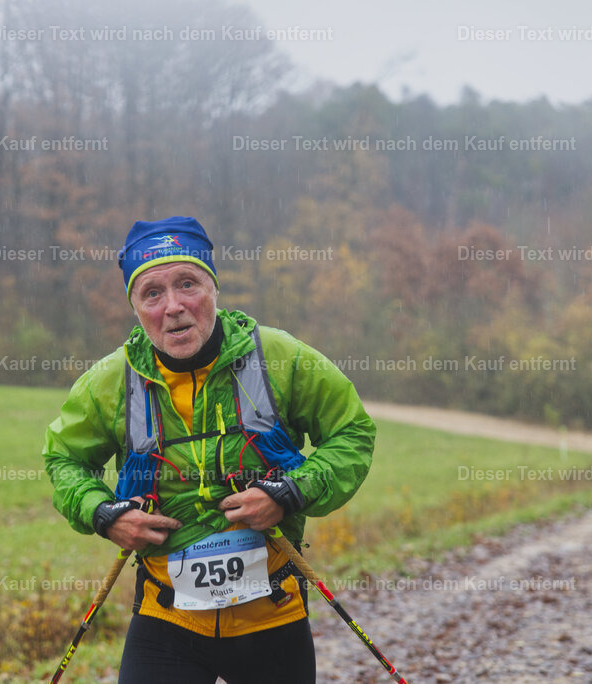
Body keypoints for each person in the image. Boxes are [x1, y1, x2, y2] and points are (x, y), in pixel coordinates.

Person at [43, 216, 376, 683]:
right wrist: (105, 514)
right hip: (168, 620)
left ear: (214, 289)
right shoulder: (109, 382)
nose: (174, 306)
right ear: (136, 307)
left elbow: (352, 433)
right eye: (152, 293)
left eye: (188, 284)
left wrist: (290, 491)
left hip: (273, 617)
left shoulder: (280, 358)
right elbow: (64, 459)